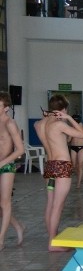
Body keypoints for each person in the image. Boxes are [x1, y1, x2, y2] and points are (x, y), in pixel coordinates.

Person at [34, 94, 83, 251]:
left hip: (50, 166)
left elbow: (40, 124)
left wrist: (49, 115)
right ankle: (53, 243)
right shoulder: (59, 124)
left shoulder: (40, 124)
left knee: (50, 204)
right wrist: (69, 118)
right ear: (64, 109)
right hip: (62, 166)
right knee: (58, 206)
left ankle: (53, 237)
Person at [0, 92, 25, 250]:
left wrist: (2, 162)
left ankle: (1, 239)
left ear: (6, 108)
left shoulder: (10, 123)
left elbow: (20, 150)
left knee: (5, 203)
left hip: (7, 166)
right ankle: (18, 226)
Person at [68, 114, 83, 188]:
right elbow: (69, 140)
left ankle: (78, 183)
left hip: (81, 147)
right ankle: (79, 176)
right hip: (73, 147)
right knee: (73, 165)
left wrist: (79, 131)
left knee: (80, 164)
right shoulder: (71, 127)